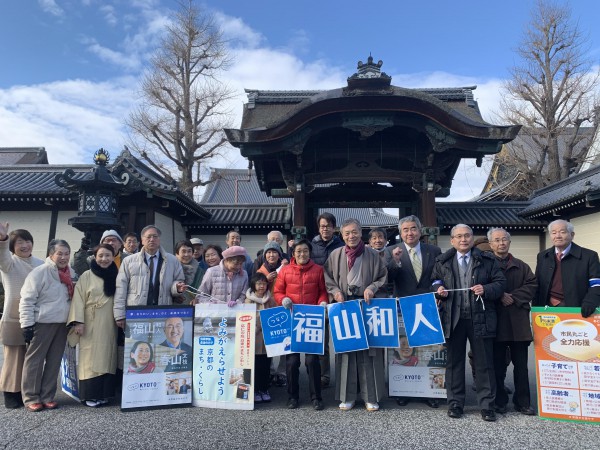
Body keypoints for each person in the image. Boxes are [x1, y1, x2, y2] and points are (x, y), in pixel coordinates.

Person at [432, 224, 506, 422]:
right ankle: (455, 403)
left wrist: (486, 289)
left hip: (480, 317)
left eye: (467, 236)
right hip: (453, 318)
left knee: (484, 363)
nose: (463, 239)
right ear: (452, 240)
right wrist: (439, 289)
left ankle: (487, 406)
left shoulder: (487, 259)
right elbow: (434, 280)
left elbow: (500, 283)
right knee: (454, 363)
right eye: (459, 236)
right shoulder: (443, 261)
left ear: (472, 238)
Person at [324, 218, 387, 412]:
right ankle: (347, 396)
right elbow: (327, 278)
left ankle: (371, 396)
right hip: (344, 306)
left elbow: (382, 277)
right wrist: (335, 291)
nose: (351, 236)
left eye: (354, 232)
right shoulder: (335, 255)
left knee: (370, 352)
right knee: (346, 351)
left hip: (367, 305)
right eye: (347, 233)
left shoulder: (373, 255)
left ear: (361, 233)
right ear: (341, 236)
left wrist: (372, 287)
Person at [384, 215, 441, 408]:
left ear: (420, 230)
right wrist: (395, 262)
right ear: (400, 233)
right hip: (402, 307)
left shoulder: (433, 250)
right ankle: (403, 391)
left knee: (427, 351)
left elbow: (438, 276)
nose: (410, 233)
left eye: (413, 228)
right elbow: (386, 279)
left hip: (427, 306)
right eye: (406, 230)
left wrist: (438, 289)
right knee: (403, 351)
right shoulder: (391, 251)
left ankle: (430, 392)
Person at [20, 239, 76, 412]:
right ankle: (31, 397)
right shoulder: (39, 273)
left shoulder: (71, 272)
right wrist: (27, 325)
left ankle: (47, 396)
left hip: (62, 324)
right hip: (42, 323)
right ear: (51, 254)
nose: (64, 257)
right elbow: (27, 300)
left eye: (67, 253)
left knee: (54, 361)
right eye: (60, 253)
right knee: (35, 361)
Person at [488, 227, 537, 416]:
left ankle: (522, 401)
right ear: (491, 244)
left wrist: (513, 297)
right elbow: (481, 286)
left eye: (504, 240)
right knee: (498, 365)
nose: (501, 243)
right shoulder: (486, 264)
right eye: (497, 240)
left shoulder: (522, 265)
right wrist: (499, 295)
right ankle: (500, 401)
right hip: (497, 322)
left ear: (509, 242)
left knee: (521, 366)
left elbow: (532, 285)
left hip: (518, 323)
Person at [274, 239, 328, 411]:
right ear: (293, 254)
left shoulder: (318, 270)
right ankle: (293, 396)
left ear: (309, 252)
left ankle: (316, 397)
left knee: (312, 361)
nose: (302, 254)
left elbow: (322, 291)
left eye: (305, 251)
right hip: (291, 320)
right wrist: (283, 299)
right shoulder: (285, 270)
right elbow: (277, 291)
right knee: (292, 361)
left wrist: (322, 302)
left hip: (311, 321)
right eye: (298, 251)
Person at [68, 243, 119, 407]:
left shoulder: (117, 275)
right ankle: (90, 395)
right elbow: (78, 299)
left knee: (107, 356)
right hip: (90, 322)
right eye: (101, 256)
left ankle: (104, 394)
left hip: (110, 322)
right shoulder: (86, 276)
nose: (104, 259)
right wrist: (79, 321)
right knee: (89, 357)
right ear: (95, 258)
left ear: (113, 257)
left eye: (108, 255)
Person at [0, 223, 43, 409]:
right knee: (14, 357)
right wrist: (3, 239)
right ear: (12, 247)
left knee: (32, 357)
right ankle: (11, 393)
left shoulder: (41, 264)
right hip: (13, 317)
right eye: (19, 242)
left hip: (37, 316)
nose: (24, 245)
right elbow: (2, 256)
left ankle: (29, 392)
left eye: (27, 241)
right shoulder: (9, 263)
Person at [113, 225, 185, 328]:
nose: (152, 239)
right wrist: (120, 315)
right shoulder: (129, 261)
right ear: (142, 240)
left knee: (160, 342)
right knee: (137, 343)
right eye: (148, 237)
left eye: (155, 236)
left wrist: (177, 288)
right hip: (137, 313)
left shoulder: (172, 260)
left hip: (162, 311)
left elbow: (179, 281)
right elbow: (121, 288)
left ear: (159, 240)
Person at [533, 219, 600, 317]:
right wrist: (535, 308)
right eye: (553, 233)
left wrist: (590, 301)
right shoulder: (543, 256)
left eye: (562, 232)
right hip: (546, 309)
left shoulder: (589, 256)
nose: (558, 236)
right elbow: (537, 283)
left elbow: (596, 283)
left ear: (572, 235)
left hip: (577, 309)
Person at [310, 212, 344, 388]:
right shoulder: (311, 246)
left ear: (334, 227)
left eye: (328, 226)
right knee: (321, 338)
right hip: (319, 297)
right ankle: (323, 375)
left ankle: (344, 374)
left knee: (341, 338)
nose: (325, 229)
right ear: (318, 227)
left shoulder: (342, 245)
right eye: (322, 226)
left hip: (338, 296)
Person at [246, 272, 276, 403]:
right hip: (253, 339)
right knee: (255, 365)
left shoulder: (271, 299)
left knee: (266, 365)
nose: (261, 286)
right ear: (253, 285)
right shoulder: (247, 300)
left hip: (267, 339)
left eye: (264, 283)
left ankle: (264, 389)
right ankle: (256, 390)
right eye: (258, 283)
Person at [174, 239, 205, 304]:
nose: (186, 254)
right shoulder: (170, 268)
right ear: (177, 254)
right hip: (172, 307)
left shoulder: (199, 271)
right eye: (183, 251)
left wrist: (198, 299)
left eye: (189, 251)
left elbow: (204, 290)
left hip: (193, 307)